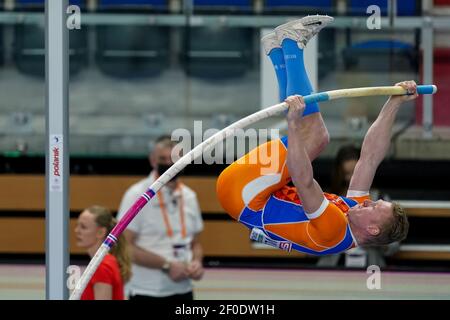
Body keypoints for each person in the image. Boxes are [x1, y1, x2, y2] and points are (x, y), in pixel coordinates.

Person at [216, 15, 409, 256]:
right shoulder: (356, 213)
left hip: (243, 194)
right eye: (374, 201)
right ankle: (278, 51)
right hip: (252, 192)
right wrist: (395, 102)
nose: (368, 201)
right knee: (316, 136)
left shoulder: (334, 230)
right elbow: (369, 157)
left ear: (372, 230)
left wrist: (293, 125)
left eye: (373, 207)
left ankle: (292, 46)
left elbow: (303, 179)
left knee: (315, 137)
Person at [118, 135, 204, 300]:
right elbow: (125, 247)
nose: (169, 165)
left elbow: (195, 244)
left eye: (174, 160)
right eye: (163, 159)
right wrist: (166, 265)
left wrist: (197, 263)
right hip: (147, 291)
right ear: (152, 160)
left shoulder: (190, 196)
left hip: (183, 290)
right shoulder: (136, 195)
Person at [75, 205, 131, 300]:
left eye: (83, 227)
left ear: (101, 232)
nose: (76, 231)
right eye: (78, 225)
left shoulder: (101, 266)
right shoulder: (105, 261)